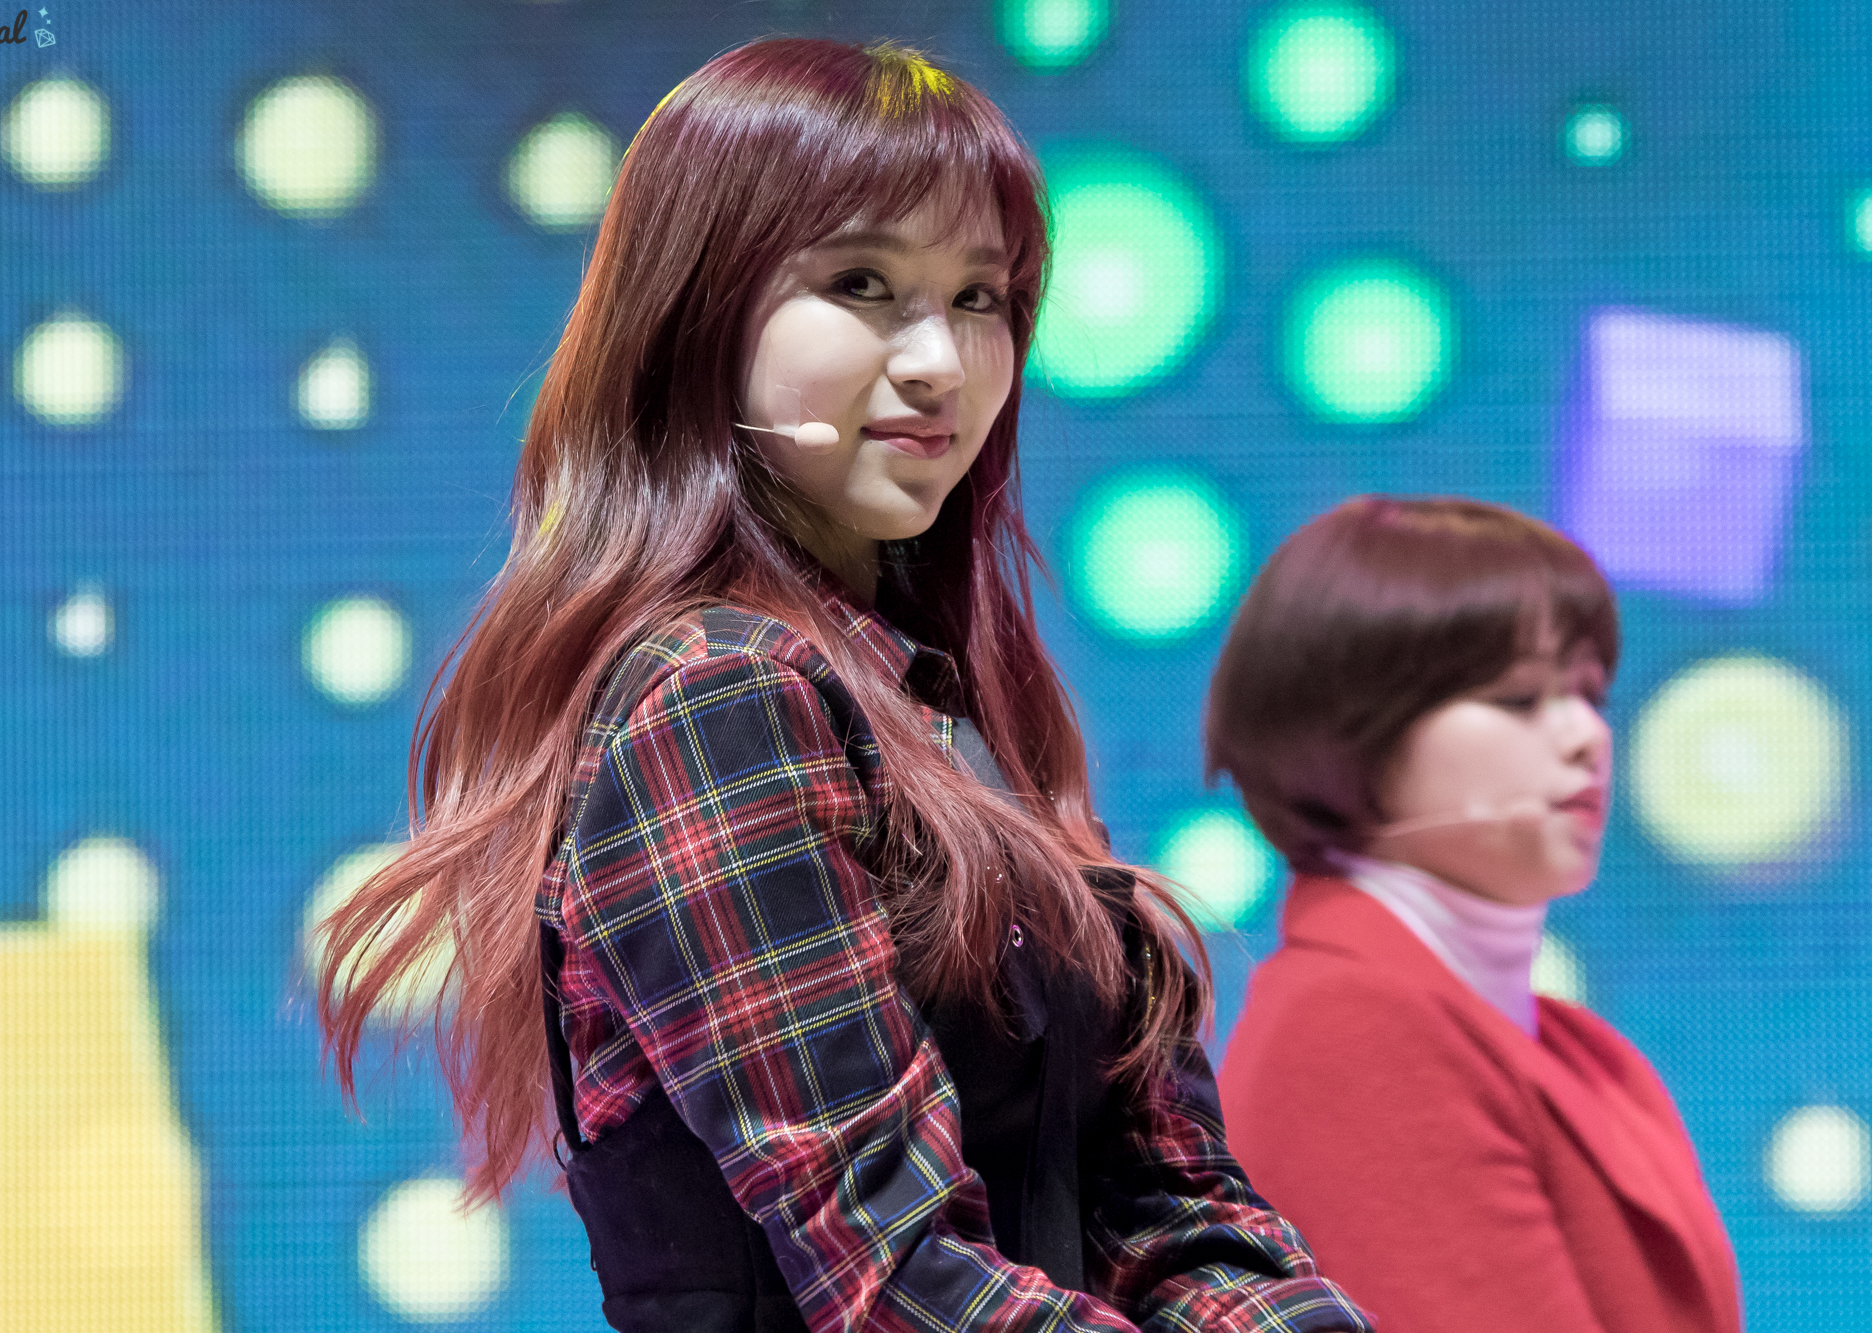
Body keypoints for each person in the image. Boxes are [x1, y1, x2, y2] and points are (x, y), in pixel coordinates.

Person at [316, 36, 1370, 1333]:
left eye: (980, 296)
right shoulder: (712, 695)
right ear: (698, 310)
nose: (941, 362)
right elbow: (892, 1275)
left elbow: (1164, 1206)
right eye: (861, 284)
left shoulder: (952, 710)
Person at [1209, 497, 1743, 1333]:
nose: (1588, 736)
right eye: (1520, 696)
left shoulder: (1585, 1051)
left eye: (1591, 692)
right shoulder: (1353, 1026)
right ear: (1350, 729)